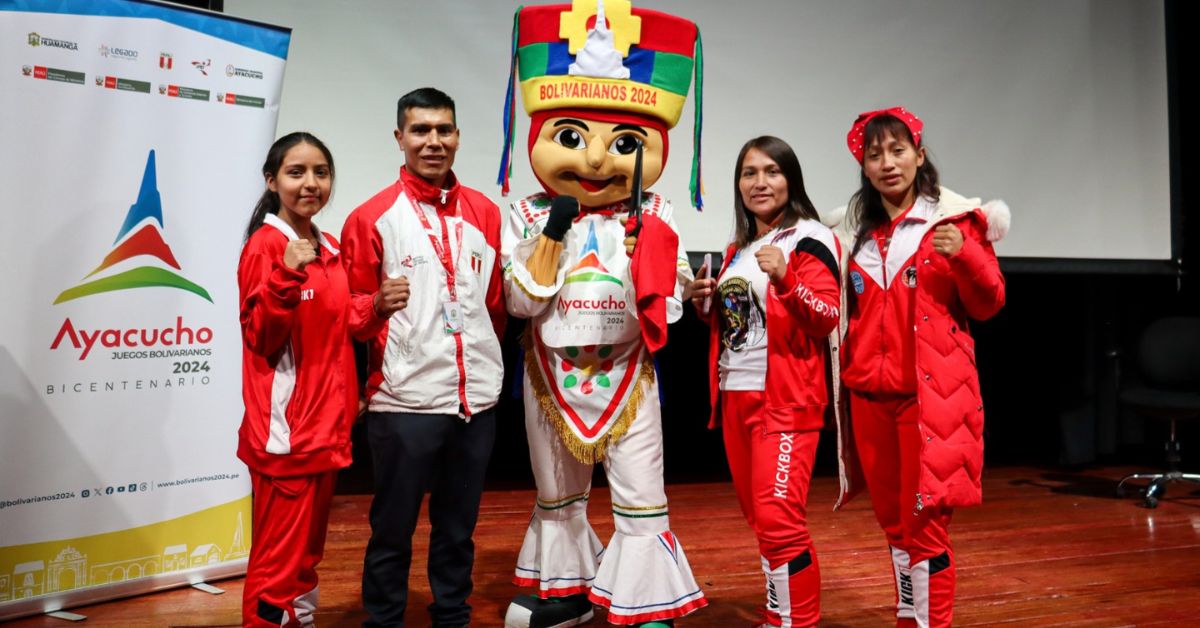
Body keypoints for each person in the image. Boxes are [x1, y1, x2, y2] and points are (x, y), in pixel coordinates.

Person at [497, 2, 707, 626]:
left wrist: (652, 265)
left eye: (621, 144)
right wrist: (553, 236)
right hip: (548, 373)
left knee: (642, 494)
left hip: (629, 372)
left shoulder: (657, 215)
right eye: (570, 137)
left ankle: (646, 604)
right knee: (556, 492)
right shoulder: (529, 214)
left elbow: (668, 306)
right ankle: (564, 590)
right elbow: (520, 302)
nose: (593, 160)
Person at [831, 107, 1008, 627]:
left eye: (898, 150)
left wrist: (967, 257)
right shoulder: (850, 232)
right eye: (875, 154)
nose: (887, 163)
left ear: (920, 156)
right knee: (892, 522)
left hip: (930, 398)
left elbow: (990, 302)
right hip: (868, 396)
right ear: (863, 166)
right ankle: (910, 618)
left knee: (924, 524)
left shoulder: (952, 222)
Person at [340, 87, 506, 627]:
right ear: (400, 138)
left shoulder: (484, 211)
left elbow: (496, 306)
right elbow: (351, 313)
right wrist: (375, 305)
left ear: (457, 136)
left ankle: (451, 616)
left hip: (474, 399)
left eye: (443, 130)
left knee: (458, 526)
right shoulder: (372, 217)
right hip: (405, 399)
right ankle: (384, 620)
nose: (433, 142)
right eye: (420, 131)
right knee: (392, 527)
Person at [687, 136, 840, 627]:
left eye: (772, 171)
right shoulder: (739, 248)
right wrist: (704, 304)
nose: (760, 182)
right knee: (761, 519)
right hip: (736, 396)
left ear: (790, 179)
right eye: (749, 172)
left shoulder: (810, 237)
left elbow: (827, 315)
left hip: (786, 399)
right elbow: (743, 326)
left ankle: (795, 621)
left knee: (779, 519)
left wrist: (789, 280)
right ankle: (780, 609)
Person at [237, 132, 355, 627]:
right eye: (296, 172)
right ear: (272, 180)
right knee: (276, 570)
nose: (311, 183)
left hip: (324, 430)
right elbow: (261, 338)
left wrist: (376, 305)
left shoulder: (323, 245)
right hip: (287, 438)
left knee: (305, 561)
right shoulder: (268, 247)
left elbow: (338, 323)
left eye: (321, 172)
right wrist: (285, 276)